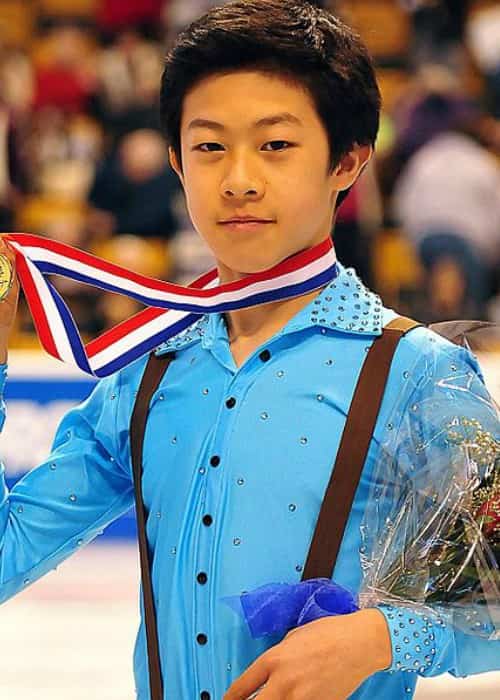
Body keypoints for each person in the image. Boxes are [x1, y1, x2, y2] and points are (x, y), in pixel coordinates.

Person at [0, 2, 498, 699]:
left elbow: (495, 589)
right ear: (176, 161)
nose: (238, 179)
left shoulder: (415, 374)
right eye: (209, 147)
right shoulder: (147, 373)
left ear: (347, 162)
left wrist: (379, 638)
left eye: (275, 146)